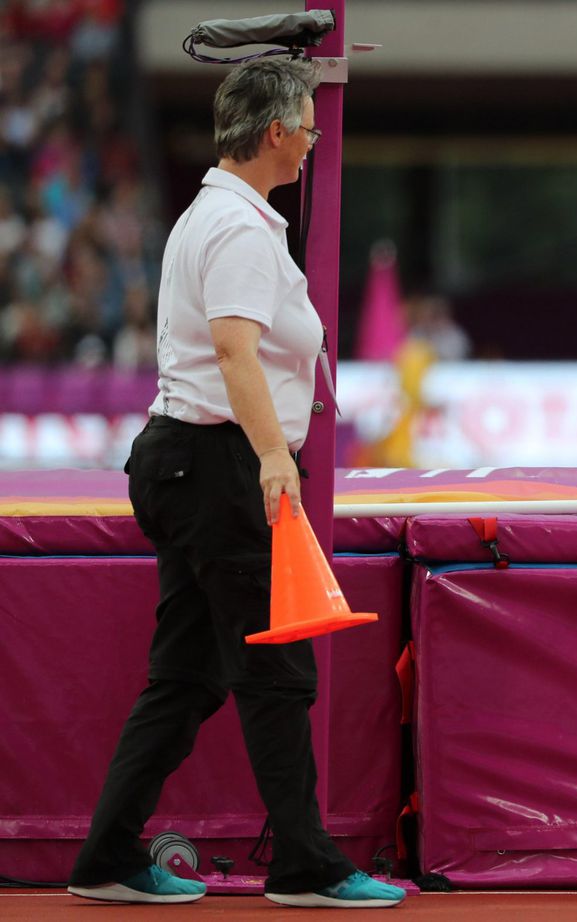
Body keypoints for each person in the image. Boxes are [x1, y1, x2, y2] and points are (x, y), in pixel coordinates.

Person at [66, 59, 405, 909]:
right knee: (277, 671)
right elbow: (233, 351)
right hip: (215, 462)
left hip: (184, 459)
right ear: (276, 132)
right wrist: (274, 457)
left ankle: (107, 855)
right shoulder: (243, 229)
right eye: (308, 126)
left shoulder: (214, 215)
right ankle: (307, 866)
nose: (315, 142)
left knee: (186, 677)